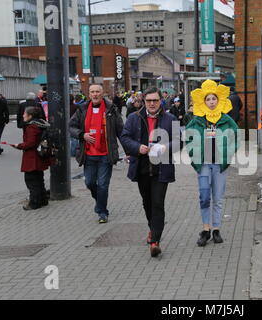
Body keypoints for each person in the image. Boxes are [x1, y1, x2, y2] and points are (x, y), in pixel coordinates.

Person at [120, 87, 180, 257]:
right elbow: (124, 138)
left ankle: (155, 241)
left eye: (155, 100)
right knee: (147, 202)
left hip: (162, 168)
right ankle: (152, 229)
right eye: (149, 101)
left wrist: (164, 147)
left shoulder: (171, 118)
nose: (152, 104)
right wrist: (138, 147)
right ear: (143, 101)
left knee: (158, 203)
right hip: (141, 167)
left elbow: (178, 141)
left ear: (161, 100)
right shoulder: (134, 118)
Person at [185, 80, 239, 247]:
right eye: (208, 99)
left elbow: (235, 138)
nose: (211, 102)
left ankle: (216, 229)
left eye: (213, 99)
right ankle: (205, 229)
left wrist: (227, 156)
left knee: (218, 198)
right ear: (204, 101)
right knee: (204, 197)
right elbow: (189, 138)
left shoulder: (227, 119)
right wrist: (195, 158)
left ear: (218, 100)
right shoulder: (197, 120)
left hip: (219, 165)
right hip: (203, 164)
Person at [69, 83, 128, 224]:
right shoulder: (82, 109)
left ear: (102, 94)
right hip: (88, 154)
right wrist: (82, 135)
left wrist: (129, 152)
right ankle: (100, 201)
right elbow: (71, 126)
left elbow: (121, 132)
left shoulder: (111, 110)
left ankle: (102, 211)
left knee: (102, 184)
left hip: (105, 155)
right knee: (89, 182)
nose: (95, 94)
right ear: (88, 94)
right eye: (92, 92)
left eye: (97, 92)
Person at [11, 107, 50, 210]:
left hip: (32, 157)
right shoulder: (40, 124)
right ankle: (43, 200)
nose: (23, 115)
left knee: (31, 180)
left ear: (30, 116)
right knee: (39, 179)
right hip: (40, 155)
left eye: (24, 114)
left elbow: (31, 143)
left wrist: (19, 145)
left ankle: (34, 203)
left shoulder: (31, 127)